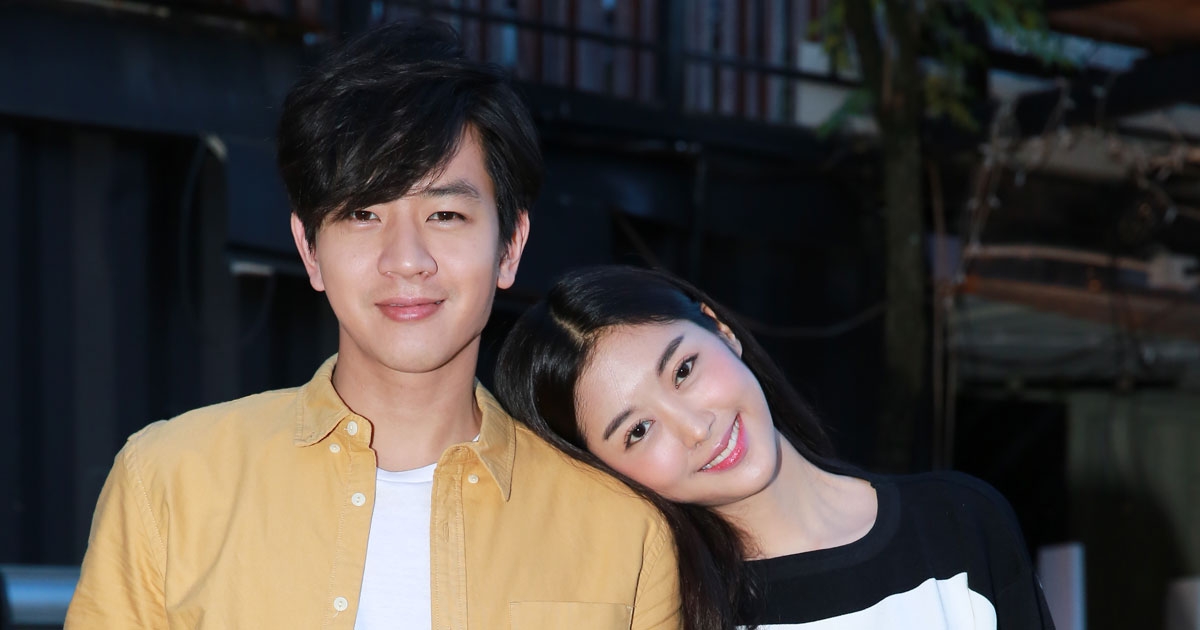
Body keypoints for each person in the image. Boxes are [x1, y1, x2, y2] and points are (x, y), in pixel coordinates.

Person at [66, 22, 683, 629]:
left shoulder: (623, 533)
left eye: (445, 214)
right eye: (363, 214)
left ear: (510, 246)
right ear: (309, 249)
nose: (406, 260)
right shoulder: (169, 482)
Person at [494, 265, 1056, 629]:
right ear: (605, 472)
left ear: (721, 330)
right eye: (637, 431)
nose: (695, 427)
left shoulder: (959, 521)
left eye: (683, 370)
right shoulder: (672, 616)